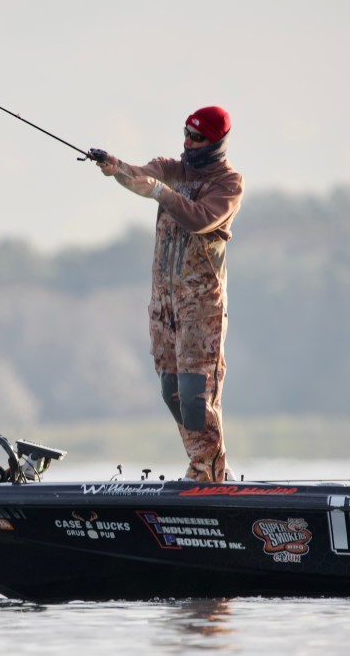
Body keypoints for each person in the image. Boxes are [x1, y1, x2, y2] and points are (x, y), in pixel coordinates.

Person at [91, 106, 244, 482]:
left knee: (195, 393)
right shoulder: (172, 168)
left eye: (197, 138)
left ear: (216, 142)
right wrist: (115, 166)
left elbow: (200, 218)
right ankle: (203, 464)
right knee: (170, 390)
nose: (188, 143)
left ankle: (210, 470)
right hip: (164, 302)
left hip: (200, 304)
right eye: (186, 134)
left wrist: (160, 193)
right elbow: (140, 175)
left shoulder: (228, 184)